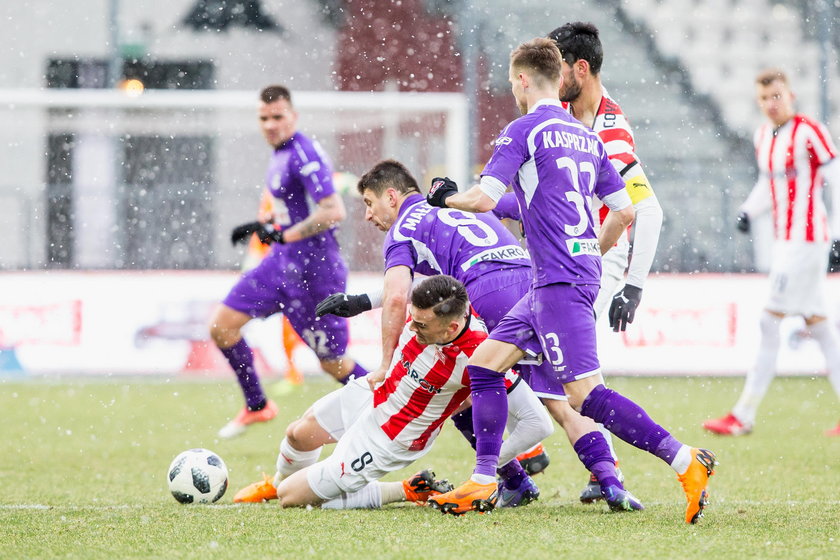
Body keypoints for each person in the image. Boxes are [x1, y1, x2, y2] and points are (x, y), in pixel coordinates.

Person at [424, 37, 716, 524]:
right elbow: (625, 211)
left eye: (511, 80)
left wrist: (444, 197)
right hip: (559, 278)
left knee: (585, 396)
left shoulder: (523, 129)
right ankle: (482, 480)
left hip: (559, 281)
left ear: (521, 79)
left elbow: (481, 199)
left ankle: (686, 461)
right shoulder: (587, 135)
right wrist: (588, 255)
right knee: (484, 365)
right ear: (559, 77)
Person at [317, 159, 643, 510]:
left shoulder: (402, 232)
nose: (368, 215)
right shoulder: (458, 200)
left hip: (488, 295)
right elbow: (523, 207)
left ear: (392, 196)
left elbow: (400, 295)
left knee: (460, 389)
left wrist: (383, 364)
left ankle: (507, 478)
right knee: (566, 397)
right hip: (535, 282)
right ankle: (610, 481)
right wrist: (363, 300)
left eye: (369, 203)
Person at [492, 22, 666, 503]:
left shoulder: (612, 129)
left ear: (580, 69)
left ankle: (630, 465)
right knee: (555, 364)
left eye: (559, 62)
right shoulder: (562, 115)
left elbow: (645, 209)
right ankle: (587, 464)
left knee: (580, 376)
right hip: (562, 255)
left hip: (595, 256)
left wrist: (633, 284)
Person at [232, 275, 551, 510]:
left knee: (293, 497)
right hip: (376, 393)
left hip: (395, 434)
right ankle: (274, 483)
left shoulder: (481, 353)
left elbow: (539, 424)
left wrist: (490, 465)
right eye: (413, 320)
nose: (411, 329)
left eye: (421, 326)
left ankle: (408, 489)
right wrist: (358, 302)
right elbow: (401, 287)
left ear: (452, 328)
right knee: (298, 434)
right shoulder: (441, 297)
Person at [209, 85, 367, 439]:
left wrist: (285, 235)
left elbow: (333, 210)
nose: (270, 124)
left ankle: (393, 407)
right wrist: (268, 229)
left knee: (334, 364)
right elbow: (293, 212)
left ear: (293, 116)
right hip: (281, 265)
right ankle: (257, 405)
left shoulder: (303, 154)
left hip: (315, 274)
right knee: (221, 326)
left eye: (278, 117)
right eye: (263, 118)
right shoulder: (280, 153)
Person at [703, 69, 840, 437]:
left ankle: (743, 414)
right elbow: (769, 182)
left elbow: (835, 176)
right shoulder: (763, 135)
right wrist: (749, 210)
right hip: (787, 240)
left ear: (791, 95)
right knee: (821, 327)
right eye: (764, 98)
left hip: (807, 239)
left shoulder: (809, 131)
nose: (771, 104)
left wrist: (839, 230)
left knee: (768, 321)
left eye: (777, 96)